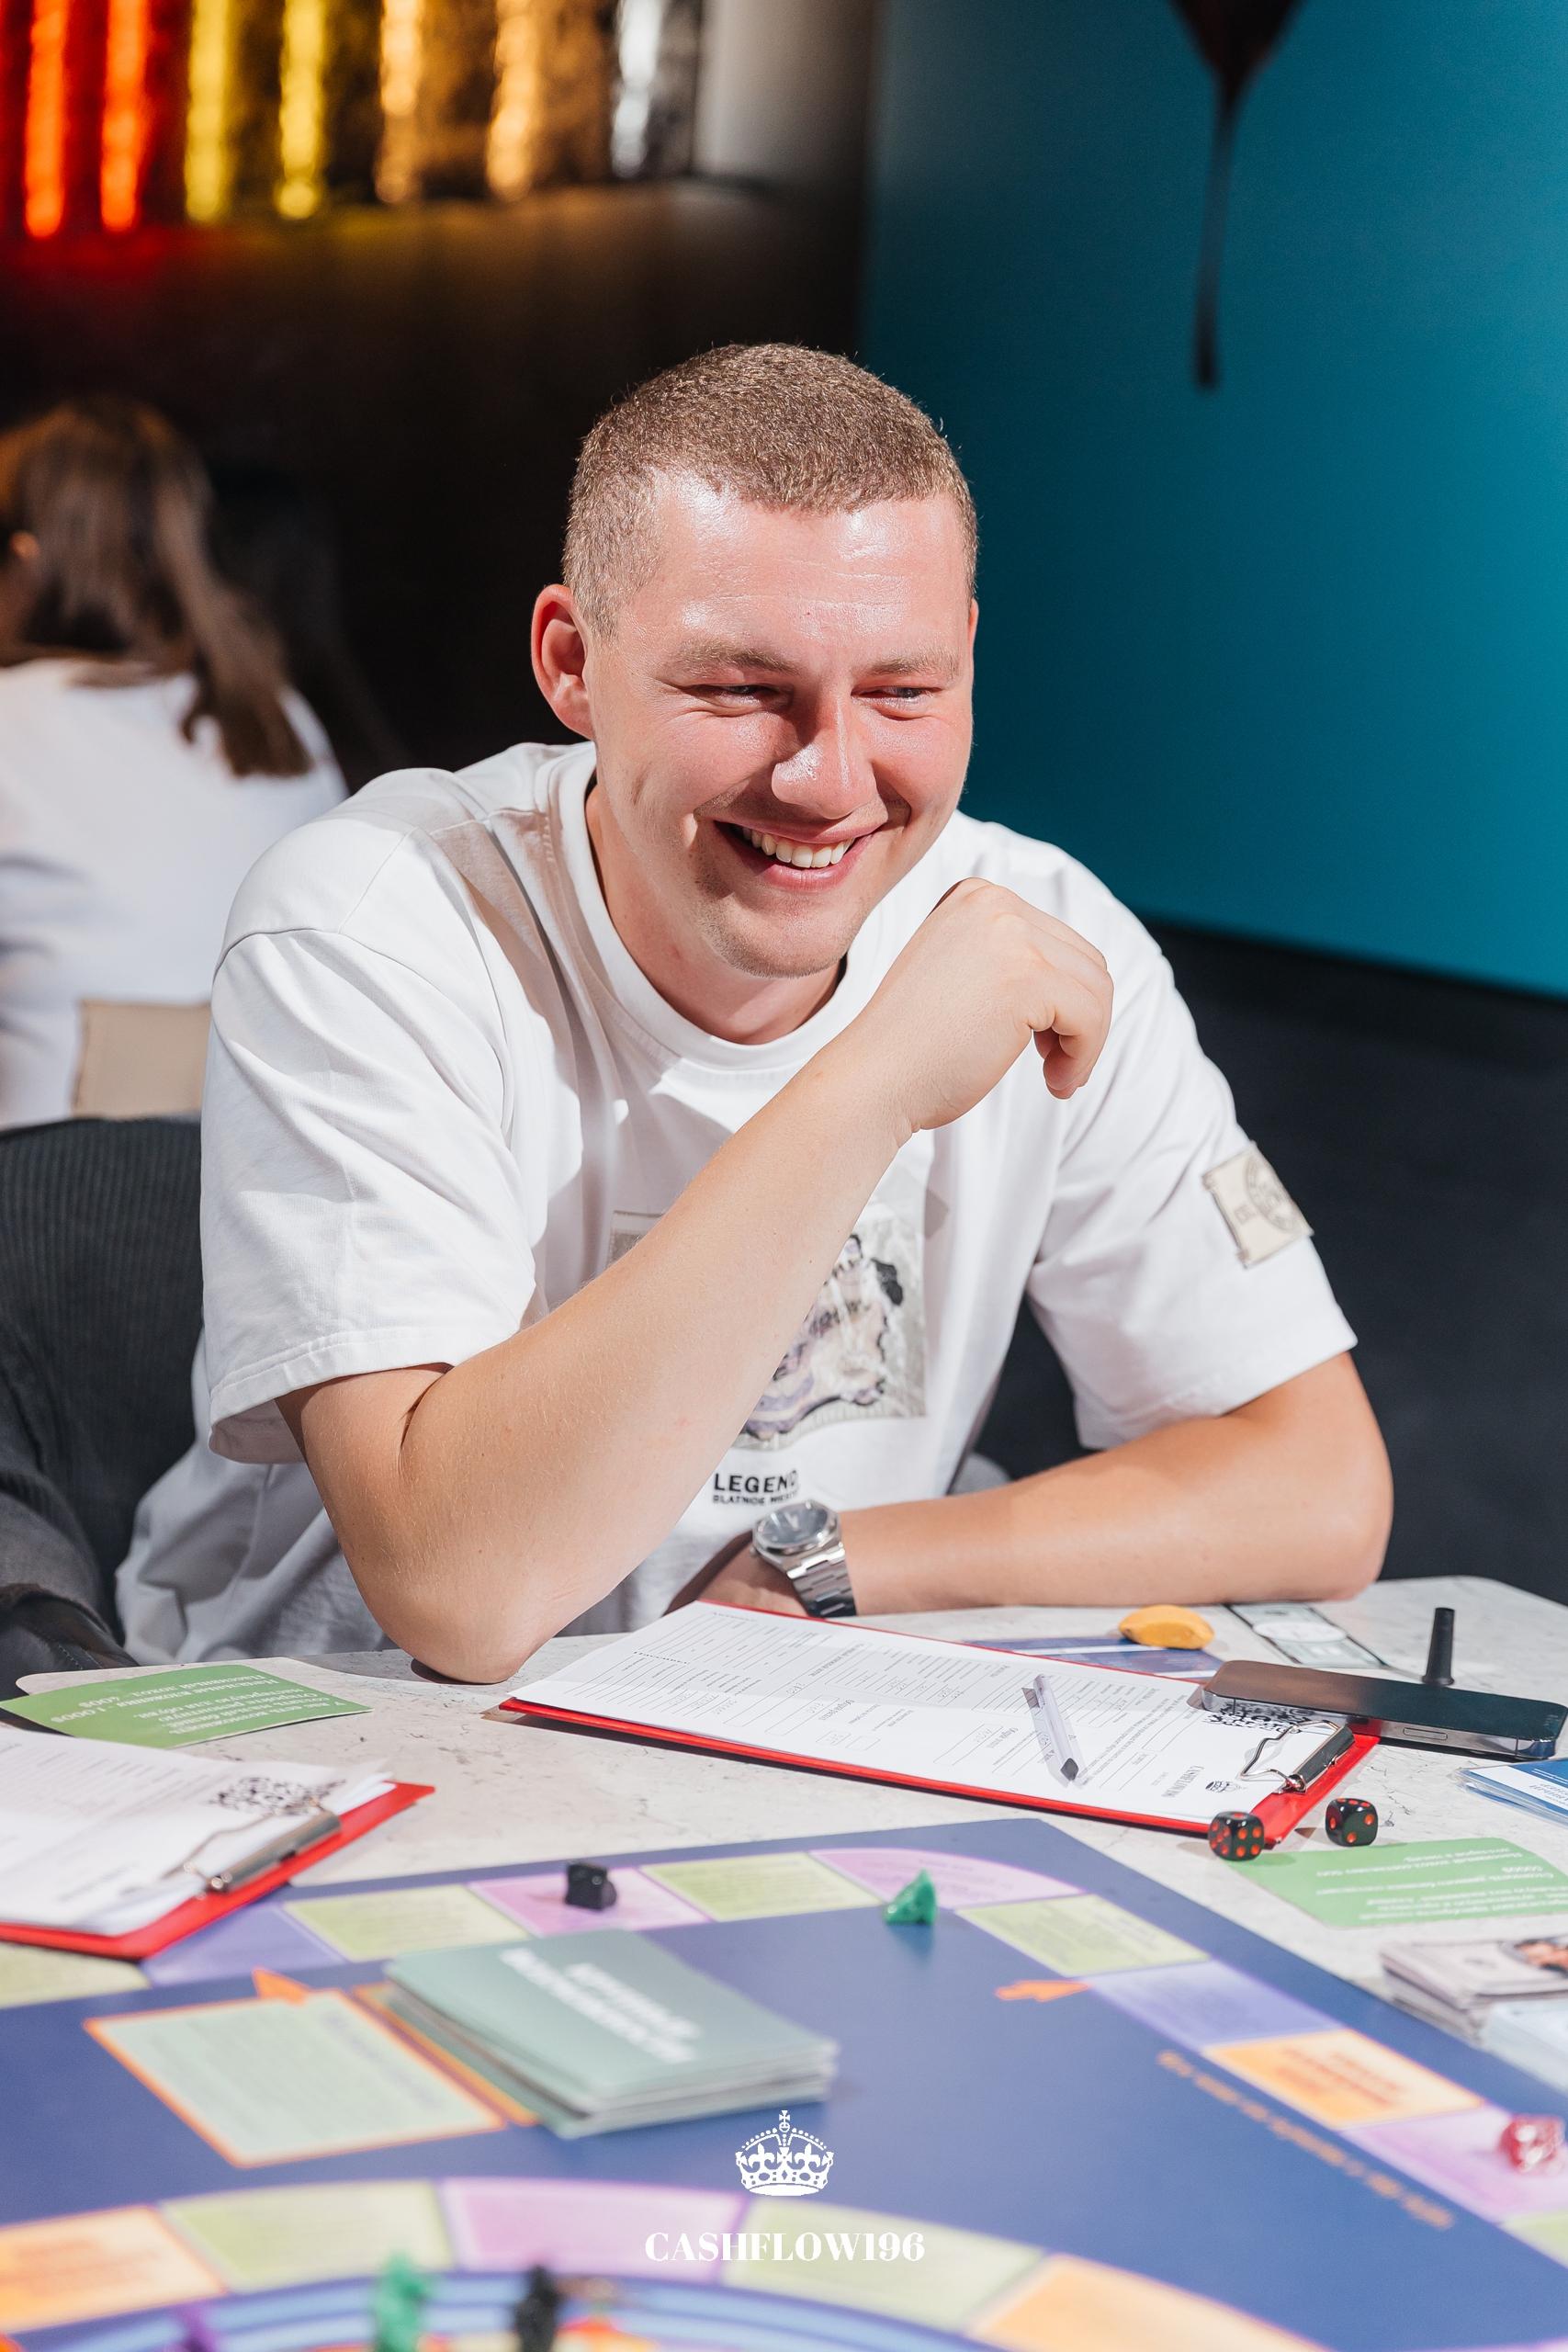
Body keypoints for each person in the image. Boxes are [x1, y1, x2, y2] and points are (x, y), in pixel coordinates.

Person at [117, 345, 1391, 1676]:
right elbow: (457, 1592)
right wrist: (870, 1084)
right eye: (741, 690)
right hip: (330, 1726)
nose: (828, 781)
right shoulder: (377, 917)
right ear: (571, 662)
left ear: (966, 656)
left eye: (900, 691)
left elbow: (1317, 1485)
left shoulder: (1041, 929)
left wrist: (821, 1565)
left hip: (774, 1719)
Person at [0, 398, 344, 1129]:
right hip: (264, 1155)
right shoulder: (278, 718)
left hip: (46, 1177)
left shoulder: (13, 717)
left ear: (24, 562)